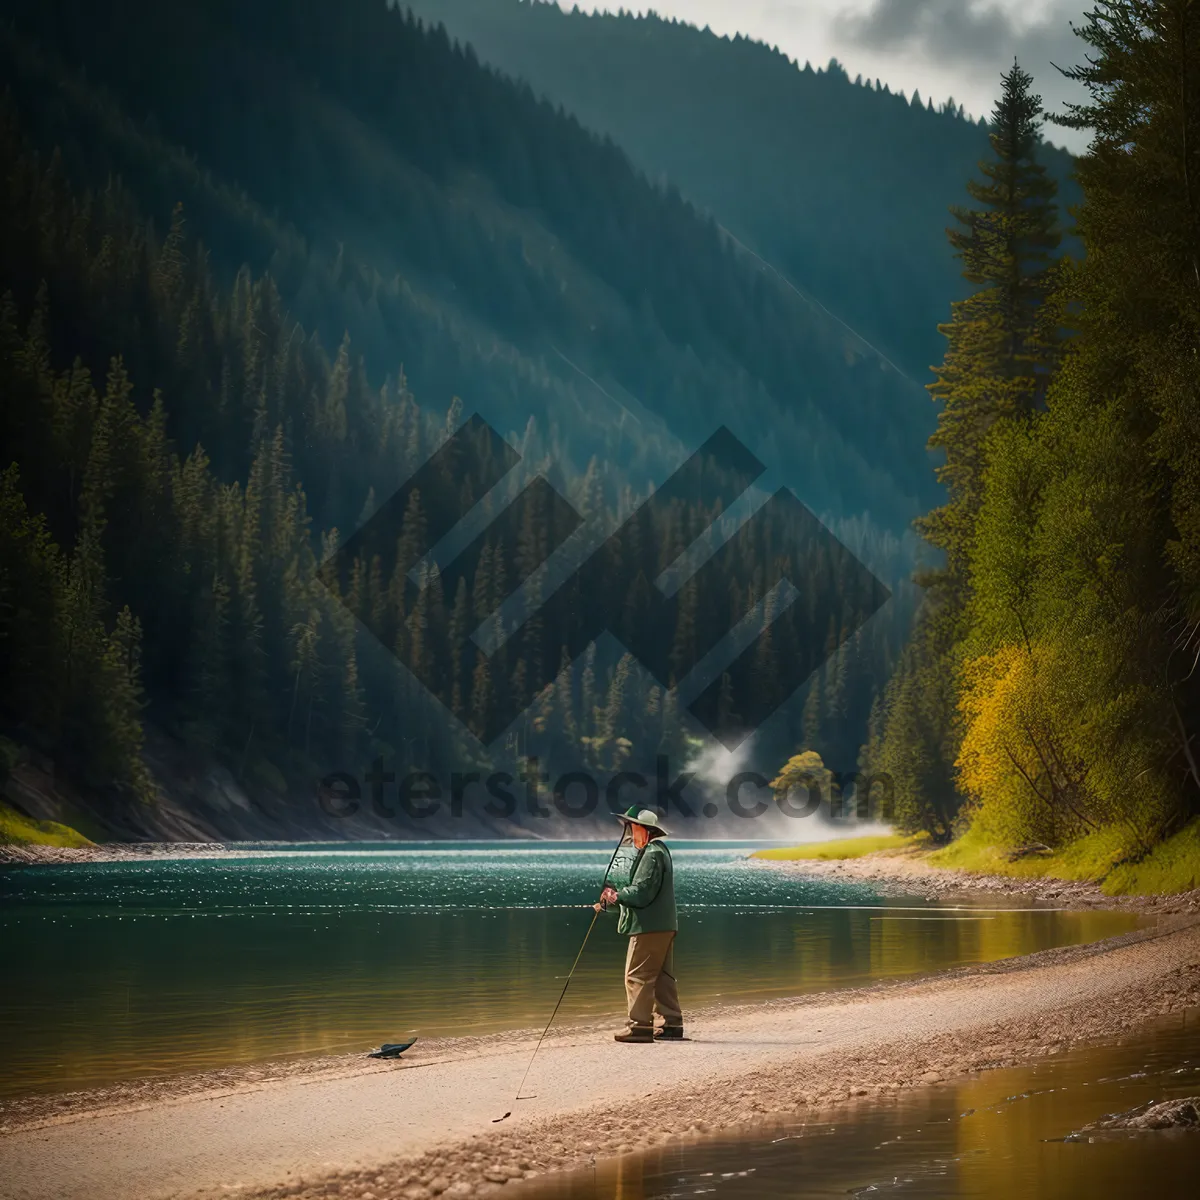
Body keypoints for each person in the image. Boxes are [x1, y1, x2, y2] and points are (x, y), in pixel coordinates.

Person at [595, 806, 683, 1043]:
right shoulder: (657, 850)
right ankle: (671, 1024)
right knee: (662, 976)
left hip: (649, 926)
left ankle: (640, 1027)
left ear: (644, 829)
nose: (630, 833)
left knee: (637, 975)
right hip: (662, 924)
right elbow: (640, 891)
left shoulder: (652, 853)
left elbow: (642, 891)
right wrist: (612, 903)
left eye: (632, 827)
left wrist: (617, 896)